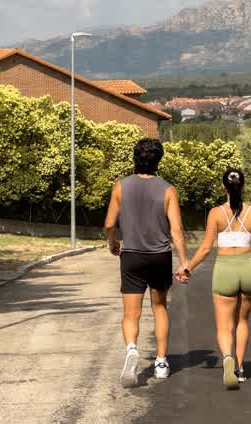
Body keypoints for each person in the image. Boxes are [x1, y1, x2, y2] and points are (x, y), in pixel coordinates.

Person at [176, 168, 251, 389]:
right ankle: (240, 370)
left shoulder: (215, 213)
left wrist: (187, 269)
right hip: (249, 269)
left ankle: (227, 359)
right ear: (242, 187)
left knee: (224, 326)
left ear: (224, 187)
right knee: (242, 321)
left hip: (225, 270)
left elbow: (206, 249)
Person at [105, 138, 189, 388]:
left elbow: (109, 224)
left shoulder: (121, 186)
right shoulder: (168, 190)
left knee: (131, 314)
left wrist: (112, 241)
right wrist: (184, 261)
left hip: (131, 255)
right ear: (158, 160)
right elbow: (176, 231)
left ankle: (132, 348)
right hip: (159, 256)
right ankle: (161, 363)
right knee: (159, 308)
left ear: (135, 158)